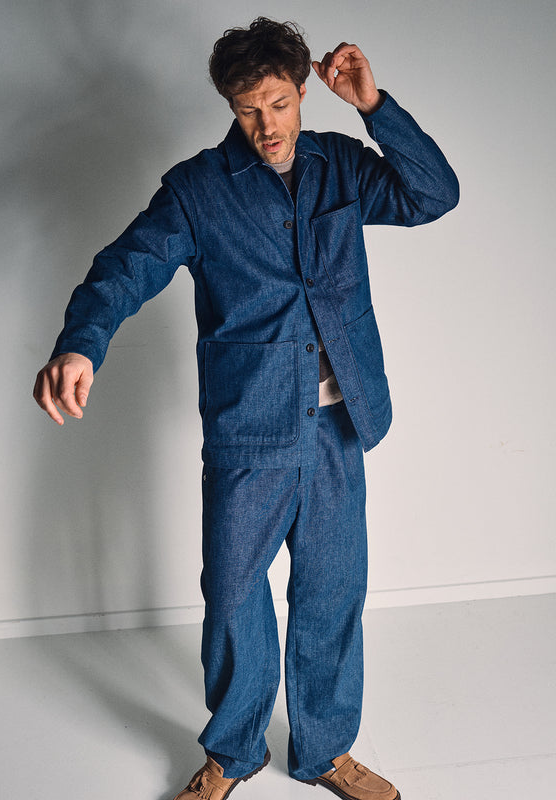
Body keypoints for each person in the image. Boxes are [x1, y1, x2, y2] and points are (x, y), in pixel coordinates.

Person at [34, 17, 458, 800]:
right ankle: (232, 752)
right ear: (230, 107)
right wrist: (81, 345)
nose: (266, 125)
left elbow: (435, 194)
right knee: (232, 598)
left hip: (338, 424)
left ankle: (326, 751)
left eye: (278, 103)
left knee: (332, 593)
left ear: (302, 92)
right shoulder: (197, 190)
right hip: (250, 428)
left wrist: (375, 107)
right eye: (247, 109)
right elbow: (123, 268)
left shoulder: (342, 166)